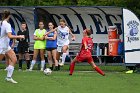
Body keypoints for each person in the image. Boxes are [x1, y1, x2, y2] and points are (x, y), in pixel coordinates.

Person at [0, 10, 24, 83]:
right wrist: (19, 36)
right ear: (9, 16)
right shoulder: (7, 24)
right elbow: (10, 36)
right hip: (2, 46)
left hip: (6, 46)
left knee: (14, 59)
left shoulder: (1, 23)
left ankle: (8, 77)